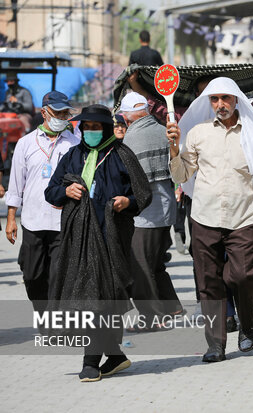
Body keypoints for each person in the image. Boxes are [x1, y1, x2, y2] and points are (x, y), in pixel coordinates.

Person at [167, 77, 253, 362]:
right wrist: (174, 149)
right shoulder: (197, 133)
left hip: (244, 218)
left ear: (236, 100)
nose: (220, 104)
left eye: (225, 99)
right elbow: (181, 176)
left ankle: (248, 325)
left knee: (243, 275)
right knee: (208, 282)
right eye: (214, 99)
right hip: (204, 217)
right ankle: (215, 344)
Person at [44, 104, 152, 382]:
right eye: (86, 126)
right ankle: (111, 356)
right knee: (91, 299)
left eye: (95, 126)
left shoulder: (121, 155)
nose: (90, 131)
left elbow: (143, 194)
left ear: (105, 127)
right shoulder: (73, 155)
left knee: (101, 298)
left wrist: (127, 202)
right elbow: (51, 191)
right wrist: (65, 189)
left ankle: (92, 361)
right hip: (78, 239)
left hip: (111, 237)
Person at [5, 91, 79, 315]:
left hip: (62, 221)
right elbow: (16, 185)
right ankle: (42, 313)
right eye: (58, 112)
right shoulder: (25, 144)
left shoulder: (74, 144)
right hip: (32, 221)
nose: (62, 116)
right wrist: (11, 219)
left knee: (58, 275)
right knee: (32, 275)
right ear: (44, 112)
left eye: (65, 113)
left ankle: (54, 322)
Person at [119, 92, 182, 330]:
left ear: (126, 118)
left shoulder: (132, 139)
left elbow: (131, 181)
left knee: (139, 266)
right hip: (165, 210)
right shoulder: (160, 129)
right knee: (155, 262)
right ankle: (171, 306)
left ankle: (153, 317)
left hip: (146, 214)